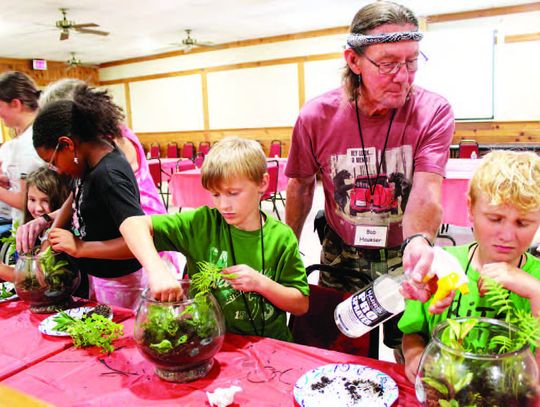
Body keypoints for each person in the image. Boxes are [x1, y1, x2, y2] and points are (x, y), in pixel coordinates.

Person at [284, 1, 454, 349]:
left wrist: (418, 241)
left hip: (401, 250)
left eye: (411, 62)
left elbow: (426, 190)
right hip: (340, 249)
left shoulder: (432, 111)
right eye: (388, 64)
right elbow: (300, 184)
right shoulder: (317, 116)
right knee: (335, 345)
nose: (403, 76)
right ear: (353, 60)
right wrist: (285, 247)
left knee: (407, 345)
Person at [120, 137, 309, 341]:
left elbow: (300, 304)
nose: (224, 205)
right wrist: (157, 271)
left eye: (233, 193)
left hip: (271, 343)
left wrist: (260, 283)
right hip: (211, 339)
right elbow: (132, 224)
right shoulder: (202, 223)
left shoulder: (281, 237)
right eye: (216, 195)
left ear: (262, 183)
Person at [27, 84, 179, 309]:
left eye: (53, 161)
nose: (55, 170)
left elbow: (136, 239)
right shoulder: (88, 158)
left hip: (123, 284)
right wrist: (50, 236)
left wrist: (80, 248)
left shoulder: (109, 176)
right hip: (103, 278)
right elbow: (76, 193)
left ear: (68, 144)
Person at [399, 150, 540, 382]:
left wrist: (535, 292)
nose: (507, 235)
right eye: (495, 219)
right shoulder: (441, 264)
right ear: (470, 209)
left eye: (522, 223)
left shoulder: (536, 279)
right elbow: (413, 331)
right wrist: (414, 355)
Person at [0, 166, 71, 281]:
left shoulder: (56, 235)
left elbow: (37, 280)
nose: (38, 208)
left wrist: (2, 269)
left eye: (45, 201)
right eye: (32, 200)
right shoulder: (32, 230)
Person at [0, 72, 45, 225]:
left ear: (15, 104)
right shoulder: (29, 134)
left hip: (33, 228)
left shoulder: (28, 143)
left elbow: (24, 201)